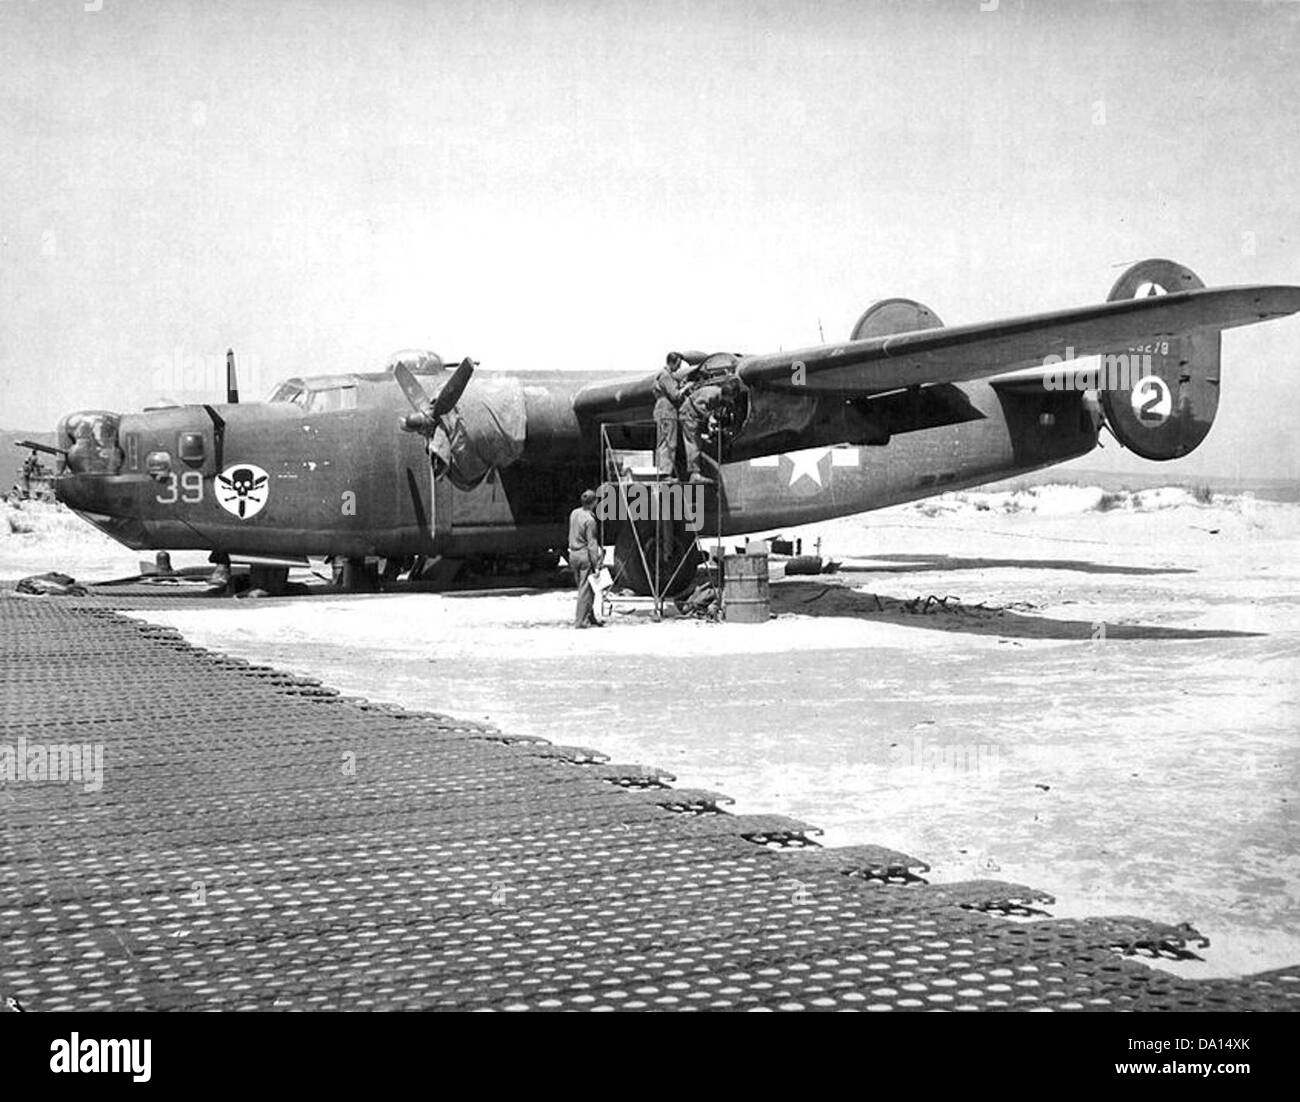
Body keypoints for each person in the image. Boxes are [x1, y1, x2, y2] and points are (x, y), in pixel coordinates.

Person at [567, 488, 604, 628]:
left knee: (585, 588)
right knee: (585, 589)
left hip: (573, 554)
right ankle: (581, 621)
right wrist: (597, 563)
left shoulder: (574, 513)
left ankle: (590, 616)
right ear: (594, 502)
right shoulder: (590, 520)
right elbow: (592, 543)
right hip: (584, 556)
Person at [652, 352, 685, 478]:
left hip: (662, 409)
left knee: (663, 442)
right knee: (669, 443)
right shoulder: (666, 376)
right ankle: (665, 473)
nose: (679, 367)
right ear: (673, 362)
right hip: (667, 410)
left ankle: (662, 472)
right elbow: (675, 395)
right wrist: (686, 388)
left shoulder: (660, 374)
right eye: (678, 364)